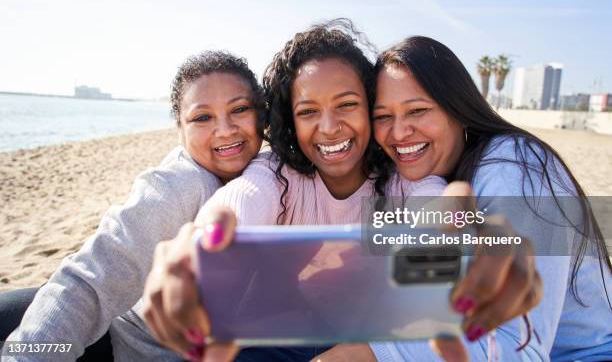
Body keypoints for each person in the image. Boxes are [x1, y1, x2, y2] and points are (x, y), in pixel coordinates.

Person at [141, 20, 542, 362]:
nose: (329, 127)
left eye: (347, 104)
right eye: (308, 111)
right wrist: (201, 246)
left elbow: (435, 210)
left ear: (370, 107)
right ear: (290, 123)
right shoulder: (278, 172)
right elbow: (240, 201)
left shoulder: (404, 178)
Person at [1, 51, 266, 361]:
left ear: (261, 114)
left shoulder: (267, 173)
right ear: (180, 129)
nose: (225, 129)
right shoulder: (178, 185)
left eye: (239, 109)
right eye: (202, 117)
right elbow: (95, 277)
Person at [366, 35, 612, 360]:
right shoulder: (429, 179)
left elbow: (518, 348)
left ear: (458, 109)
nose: (398, 133)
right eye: (383, 117)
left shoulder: (513, 166)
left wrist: (366, 351)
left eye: (418, 110)